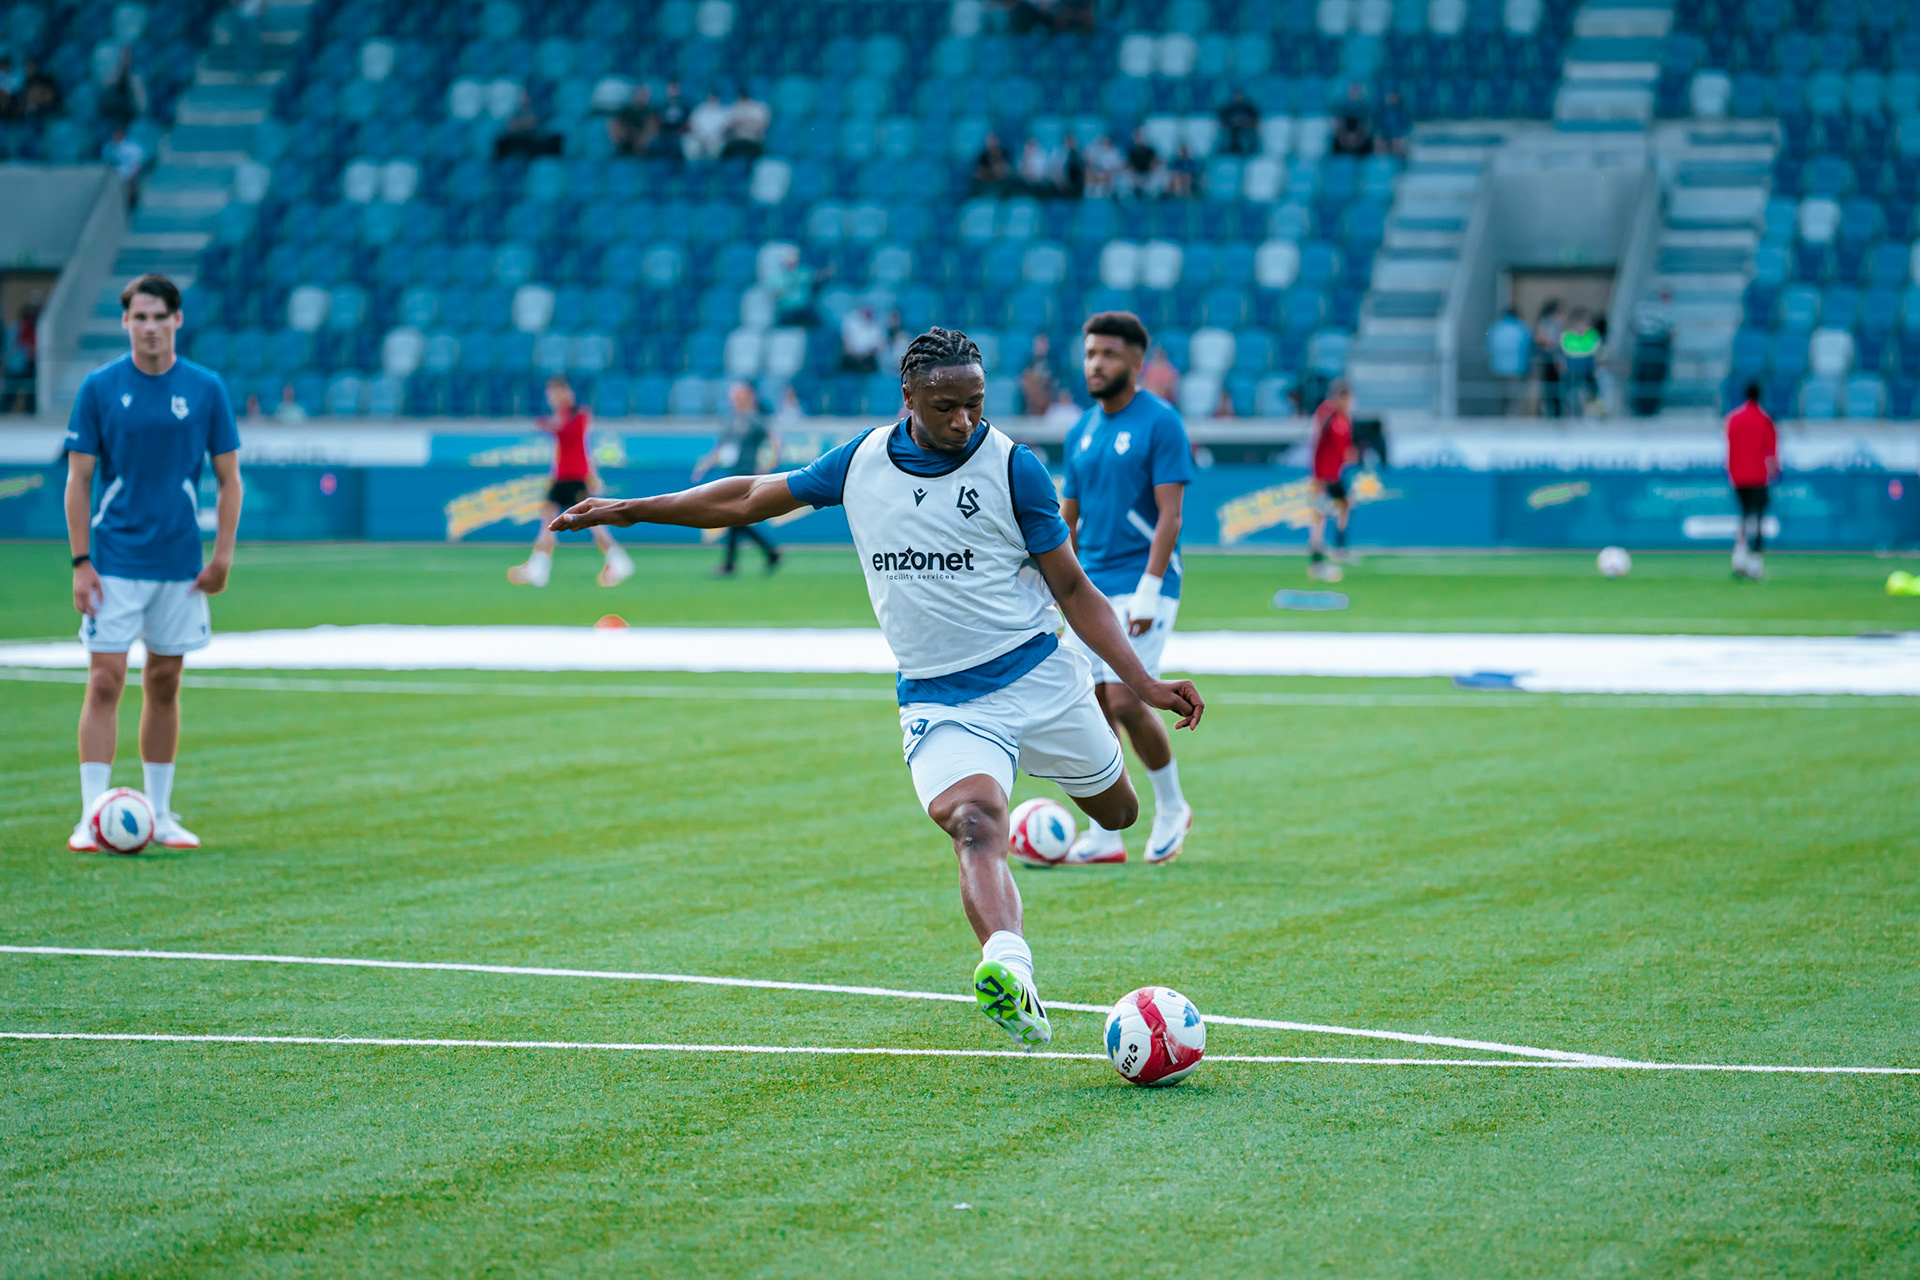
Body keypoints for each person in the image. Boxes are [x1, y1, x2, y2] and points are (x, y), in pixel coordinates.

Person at [549, 328, 1204, 1048]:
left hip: (1041, 677)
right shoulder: (859, 462)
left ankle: (1065, 801)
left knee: (1118, 813)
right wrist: (633, 509)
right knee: (975, 822)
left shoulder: (1014, 468)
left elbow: (1073, 588)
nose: (964, 421)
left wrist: (1141, 682)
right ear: (908, 398)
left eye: (976, 404)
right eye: (946, 407)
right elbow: (749, 496)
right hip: (941, 698)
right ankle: (1009, 967)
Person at [63, 273, 243, 854]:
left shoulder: (206, 388)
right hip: (114, 560)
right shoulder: (99, 387)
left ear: (177, 320)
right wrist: (81, 561)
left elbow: (229, 478)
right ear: (125, 323)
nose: (149, 328)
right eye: (138, 318)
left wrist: (222, 556)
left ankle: (160, 814)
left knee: (165, 681)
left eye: (159, 317)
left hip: (180, 564)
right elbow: (79, 480)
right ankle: (92, 815)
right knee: (104, 679)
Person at [1057, 311, 1197, 866]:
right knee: (1092, 708)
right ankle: (1105, 833)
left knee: (1125, 697)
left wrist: (1150, 587)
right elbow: (1066, 518)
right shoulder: (1081, 431)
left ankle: (1172, 807)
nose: (1096, 364)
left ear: (1136, 362)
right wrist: (1055, 584)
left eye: (1109, 354)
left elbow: (1170, 516)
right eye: (1091, 353)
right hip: (1090, 587)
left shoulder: (1161, 423)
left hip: (1143, 583)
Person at [508, 375, 634, 588]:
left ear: (565, 393)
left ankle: (618, 561)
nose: (552, 397)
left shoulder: (579, 415)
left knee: (594, 524)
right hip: (562, 478)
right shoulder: (561, 416)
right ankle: (538, 568)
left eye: (555, 393)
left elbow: (570, 437)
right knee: (548, 523)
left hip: (576, 478)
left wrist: (551, 426)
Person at [693, 381, 783, 576]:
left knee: (734, 517)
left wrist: (767, 466)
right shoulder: (731, 420)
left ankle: (733, 563)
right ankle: (769, 554)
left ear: (749, 396)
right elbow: (721, 448)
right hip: (731, 474)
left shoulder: (755, 420)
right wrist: (704, 466)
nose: (734, 400)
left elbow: (774, 442)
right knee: (736, 519)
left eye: (738, 395)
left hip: (747, 475)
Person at [1725, 381, 1778, 581]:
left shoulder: (1733, 419)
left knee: (1744, 518)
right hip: (1758, 477)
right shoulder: (1765, 420)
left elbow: (1730, 448)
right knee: (1758, 520)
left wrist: (1732, 474)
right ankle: (1755, 564)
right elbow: (1771, 453)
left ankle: (1739, 559)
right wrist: (1773, 474)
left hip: (1738, 477)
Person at [1306, 379, 1357, 582]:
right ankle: (1317, 561)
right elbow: (1317, 437)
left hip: (1335, 474)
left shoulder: (1343, 419)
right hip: (1322, 475)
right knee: (1320, 516)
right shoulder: (1327, 413)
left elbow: (1345, 449)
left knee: (1345, 505)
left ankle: (1339, 548)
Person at [1485, 307, 1533, 416]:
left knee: (1502, 396)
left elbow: (1489, 346)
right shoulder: (1522, 327)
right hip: (1518, 369)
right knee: (1516, 397)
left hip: (1498, 369)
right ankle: (1513, 417)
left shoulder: (1495, 328)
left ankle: (1503, 416)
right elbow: (1529, 347)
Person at [1559, 310, 1601, 415]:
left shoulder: (1592, 335)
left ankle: (1594, 413)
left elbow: (1596, 353)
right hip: (1571, 372)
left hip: (1588, 372)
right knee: (1567, 394)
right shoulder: (1567, 336)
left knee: (1593, 393)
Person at [840, 304, 887, 373]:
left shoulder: (878, 327)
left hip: (868, 359)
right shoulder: (851, 319)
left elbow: (878, 347)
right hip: (851, 357)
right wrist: (855, 355)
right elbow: (845, 342)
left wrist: (864, 356)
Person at [1019, 333, 1056, 415]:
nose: (1042, 347)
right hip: (1031, 411)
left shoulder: (1054, 366)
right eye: (1039, 343)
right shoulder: (1027, 367)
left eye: (1044, 343)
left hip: (1050, 411)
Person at [1218, 90, 1259, 156]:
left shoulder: (1247, 108)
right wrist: (1233, 122)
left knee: (1245, 138)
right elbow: (1223, 120)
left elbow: (1254, 119)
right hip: (1231, 130)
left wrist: (1244, 122)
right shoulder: (1228, 108)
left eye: (1239, 96)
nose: (1237, 97)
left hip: (1246, 130)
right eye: (1236, 96)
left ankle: (1248, 153)